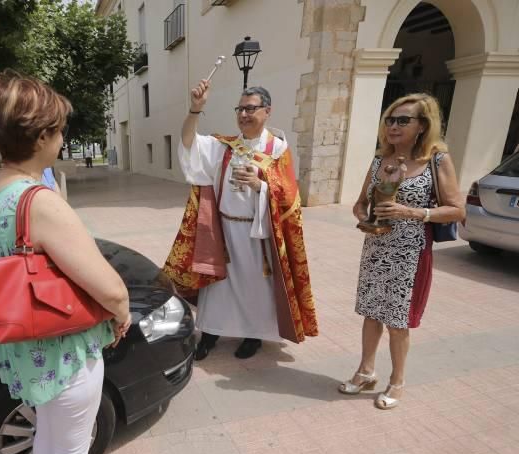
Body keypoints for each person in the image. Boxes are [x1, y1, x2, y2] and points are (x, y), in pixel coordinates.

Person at [0, 70, 130, 454]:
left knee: (49, 433)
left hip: (28, 345)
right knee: (70, 450)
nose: (63, 138)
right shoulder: (39, 199)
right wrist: (121, 312)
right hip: (63, 348)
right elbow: (109, 288)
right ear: (42, 135)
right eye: (60, 129)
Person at [168, 80, 318, 361]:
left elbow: (290, 197)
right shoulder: (225, 146)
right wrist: (195, 109)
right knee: (218, 288)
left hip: (257, 234)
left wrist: (261, 185)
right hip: (224, 230)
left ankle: (253, 336)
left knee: (255, 289)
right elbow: (189, 142)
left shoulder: (277, 149)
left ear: (267, 111)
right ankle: (210, 333)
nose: (243, 114)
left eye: (250, 109)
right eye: (240, 109)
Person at [341, 93, 465, 409]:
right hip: (376, 249)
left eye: (402, 120)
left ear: (422, 126)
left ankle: (397, 381)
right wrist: (364, 217)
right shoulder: (378, 160)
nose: (393, 126)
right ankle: (366, 371)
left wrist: (413, 212)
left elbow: (456, 210)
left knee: (398, 321)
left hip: (410, 254)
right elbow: (359, 203)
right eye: (390, 120)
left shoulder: (436, 161)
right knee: (371, 314)